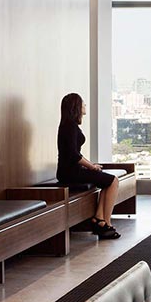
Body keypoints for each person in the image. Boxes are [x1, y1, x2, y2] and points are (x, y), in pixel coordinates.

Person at [57, 93, 120, 239]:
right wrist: (91, 167)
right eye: (83, 103)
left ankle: (99, 219)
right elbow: (74, 155)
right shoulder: (70, 126)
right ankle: (107, 222)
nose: (85, 106)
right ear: (76, 107)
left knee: (107, 182)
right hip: (70, 172)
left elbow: (75, 154)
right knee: (113, 181)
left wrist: (91, 165)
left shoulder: (69, 125)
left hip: (72, 170)